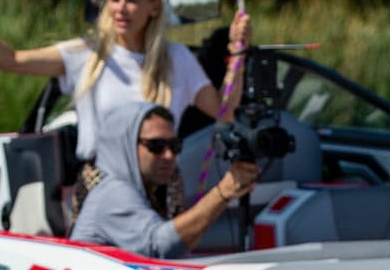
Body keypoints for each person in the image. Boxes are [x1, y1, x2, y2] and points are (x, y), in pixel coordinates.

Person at [0, 0, 252, 218]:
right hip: (101, 184)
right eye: (114, 0)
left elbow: (224, 112)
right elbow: (11, 61)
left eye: (132, 0)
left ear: (154, 7)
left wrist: (237, 53)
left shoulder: (177, 59)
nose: (121, 9)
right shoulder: (87, 54)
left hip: (159, 185)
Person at [71, 101, 259, 258]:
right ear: (124, 145)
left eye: (174, 145)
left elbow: (183, 243)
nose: (169, 155)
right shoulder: (112, 192)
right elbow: (159, 248)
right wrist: (222, 193)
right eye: (156, 145)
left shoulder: (148, 188)